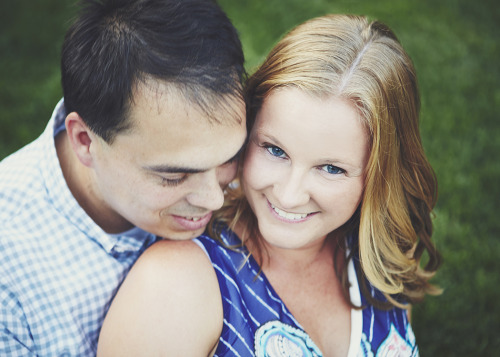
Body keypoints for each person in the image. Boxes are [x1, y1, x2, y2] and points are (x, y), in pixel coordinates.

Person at [97, 14, 442, 356]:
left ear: (380, 176)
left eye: (331, 169)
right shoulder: (176, 282)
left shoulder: (381, 258)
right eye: (275, 150)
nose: (289, 195)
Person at [0, 0, 246, 355]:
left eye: (229, 157)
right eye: (174, 176)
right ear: (85, 141)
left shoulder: (262, 171)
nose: (215, 199)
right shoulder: (9, 279)